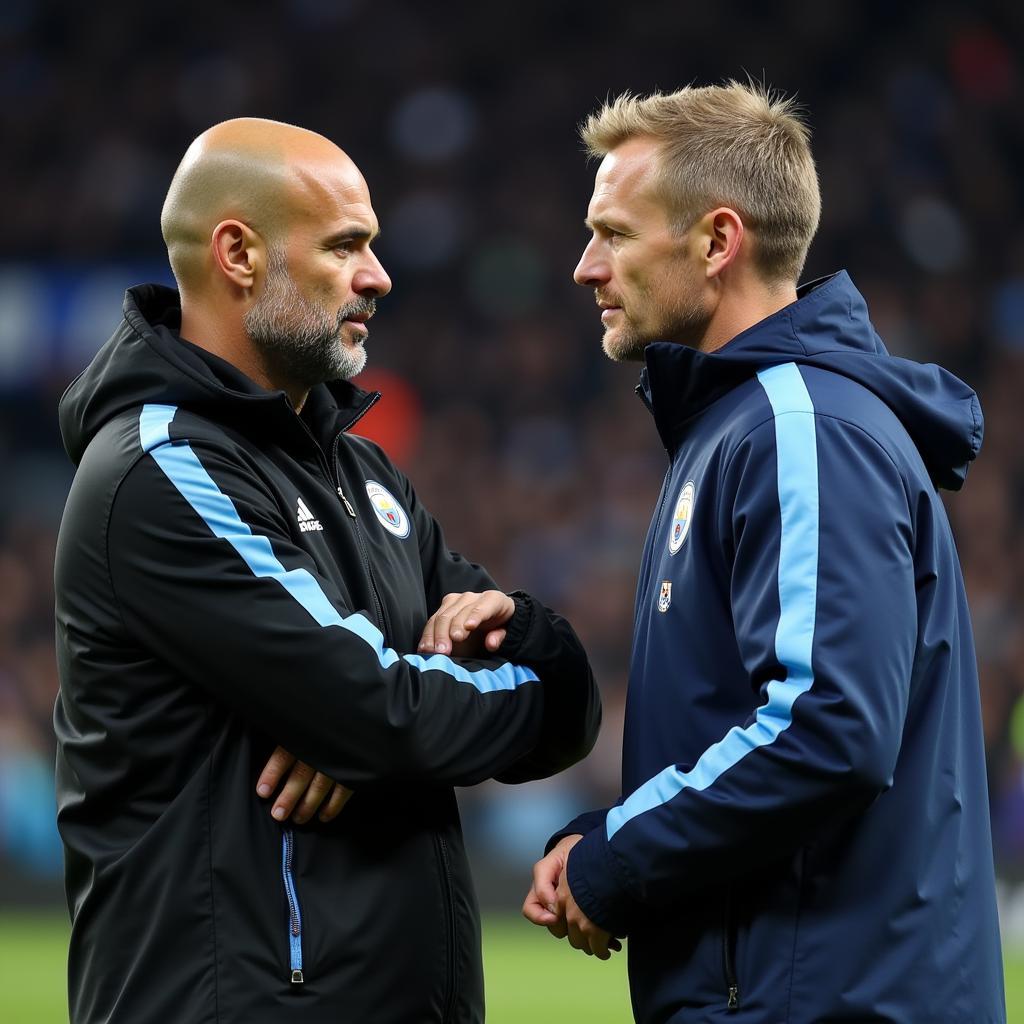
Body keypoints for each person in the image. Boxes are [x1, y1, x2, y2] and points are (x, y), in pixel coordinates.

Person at [54, 117, 601, 1024]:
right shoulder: (161, 470)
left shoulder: (366, 475)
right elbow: (384, 713)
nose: (379, 277)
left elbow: (564, 702)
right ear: (238, 253)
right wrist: (383, 718)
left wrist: (393, 712)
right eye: (347, 245)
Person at [523, 82, 1005, 1023]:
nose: (586, 267)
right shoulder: (740, 426)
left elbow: (825, 723)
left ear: (716, 241)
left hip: (823, 998)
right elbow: (744, 727)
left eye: (613, 233)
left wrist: (621, 857)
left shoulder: (801, 427)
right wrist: (616, 835)